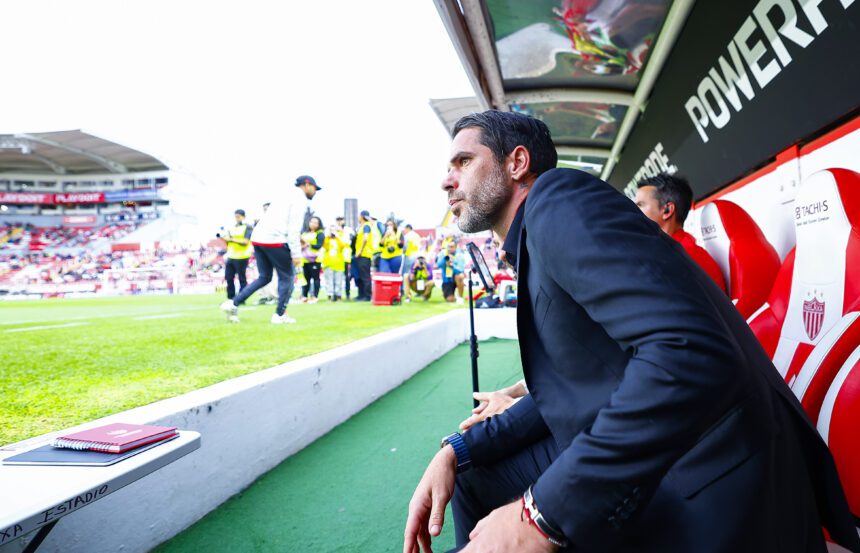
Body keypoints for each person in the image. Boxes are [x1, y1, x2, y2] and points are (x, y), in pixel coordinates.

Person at [402, 110, 860, 553]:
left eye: (463, 161)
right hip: (656, 452)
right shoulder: (534, 237)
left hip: (705, 479)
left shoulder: (557, 200)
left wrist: (539, 515)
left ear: (517, 163)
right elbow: (573, 383)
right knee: (470, 476)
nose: (447, 180)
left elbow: (688, 352)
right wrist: (458, 448)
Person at [220, 175, 320, 324]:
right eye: (314, 188)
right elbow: (293, 229)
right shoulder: (299, 200)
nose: (315, 191)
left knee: (264, 277)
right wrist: (296, 254)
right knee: (287, 277)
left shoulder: (284, 196)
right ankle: (279, 315)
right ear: (307, 184)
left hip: (259, 239)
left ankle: (233, 303)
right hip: (275, 239)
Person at [634, 173, 727, 294]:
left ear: (667, 210)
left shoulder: (678, 259)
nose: (634, 212)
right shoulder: (675, 252)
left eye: (640, 205)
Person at [222, 209, 252, 302]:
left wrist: (231, 239)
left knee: (242, 279)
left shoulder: (248, 227)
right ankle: (231, 299)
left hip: (242, 256)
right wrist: (225, 239)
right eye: (236, 216)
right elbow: (228, 242)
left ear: (244, 217)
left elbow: (245, 241)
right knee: (229, 278)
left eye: (238, 216)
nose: (237, 218)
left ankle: (241, 299)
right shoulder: (231, 228)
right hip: (231, 256)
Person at [353, 210, 380, 301]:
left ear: (362, 216)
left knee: (365, 276)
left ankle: (367, 295)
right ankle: (361, 294)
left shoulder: (366, 226)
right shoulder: (361, 226)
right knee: (359, 275)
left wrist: (360, 251)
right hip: (360, 254)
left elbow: (365, 238)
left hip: (364, 254)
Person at [323, 217, 349, 301]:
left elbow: (343, 245)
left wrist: (337, 235)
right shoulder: (327, 239)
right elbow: (324, 246)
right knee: (329, 280)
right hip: (328, 262)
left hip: (339, 262)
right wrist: (327, 236)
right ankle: (330, 295)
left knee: (338, 280)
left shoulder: (341, 237)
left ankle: (338, 296)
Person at [300, 216, 325, 303]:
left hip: (315, 259)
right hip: (304, 260)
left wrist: (308, 244)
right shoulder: (305, 233)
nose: (313, 224)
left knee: (315, 278)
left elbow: (319, 245)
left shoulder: (320, 233)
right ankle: (304, 296)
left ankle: (314, 296)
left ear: (318, 224)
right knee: (305, 278)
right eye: (312, 222)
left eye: (315, 222)